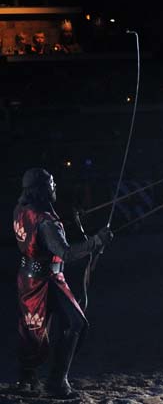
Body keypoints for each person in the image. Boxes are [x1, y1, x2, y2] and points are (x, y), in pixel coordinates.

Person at [13, 168, 113, 397]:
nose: (54, 186)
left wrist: (70, 222)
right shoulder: (46, 223)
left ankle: (26, 378)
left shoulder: (21, 209)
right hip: (47, 281)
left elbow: (39, 239)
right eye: (51, 183)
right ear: (41, 190)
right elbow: (65, 253)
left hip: (28, 278)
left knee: (32, 331)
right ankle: (57, 382)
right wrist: (95, 242)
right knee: (76, 324)